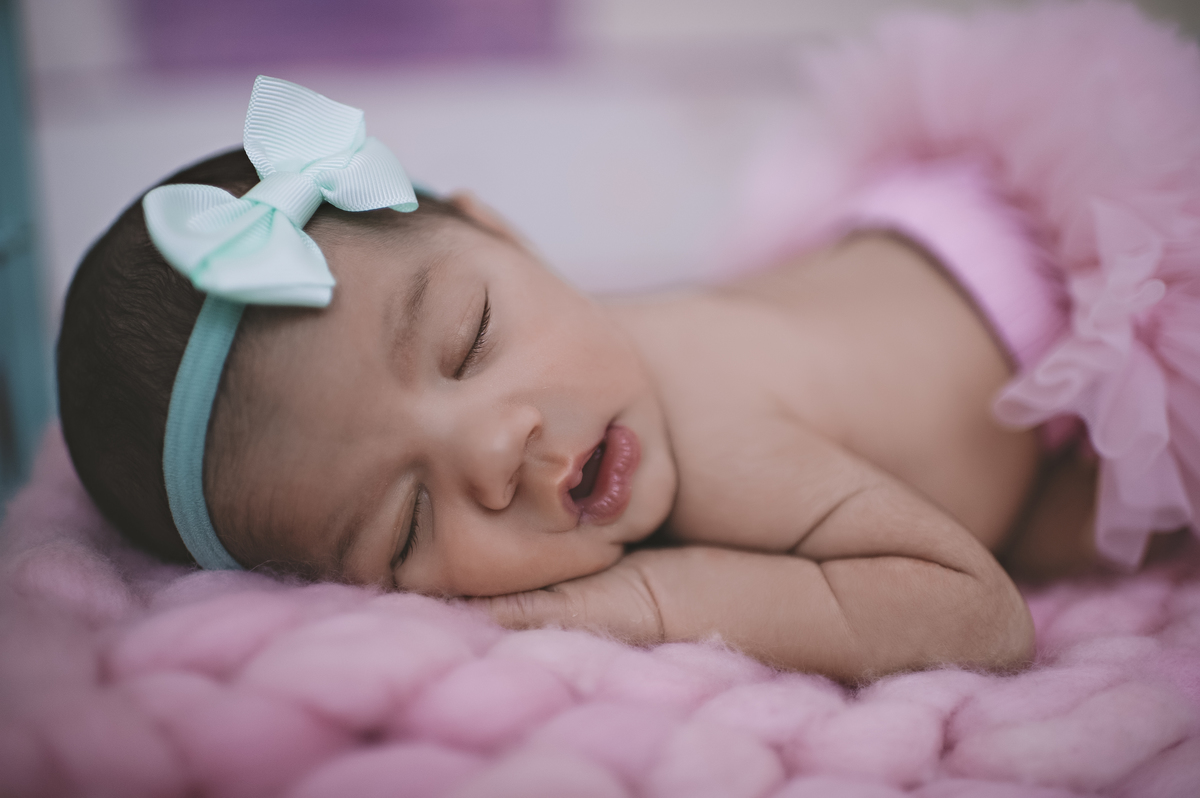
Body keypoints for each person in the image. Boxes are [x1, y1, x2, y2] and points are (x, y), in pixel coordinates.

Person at [56, 1, 1200, 682]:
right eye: (406, 523)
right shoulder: (588, 395)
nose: (492, 449)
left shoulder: (707, 416)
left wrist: (649, 606)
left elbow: (978, 617)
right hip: (982, 345)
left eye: (469, 339)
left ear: (510, 236)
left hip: (1089, 276)